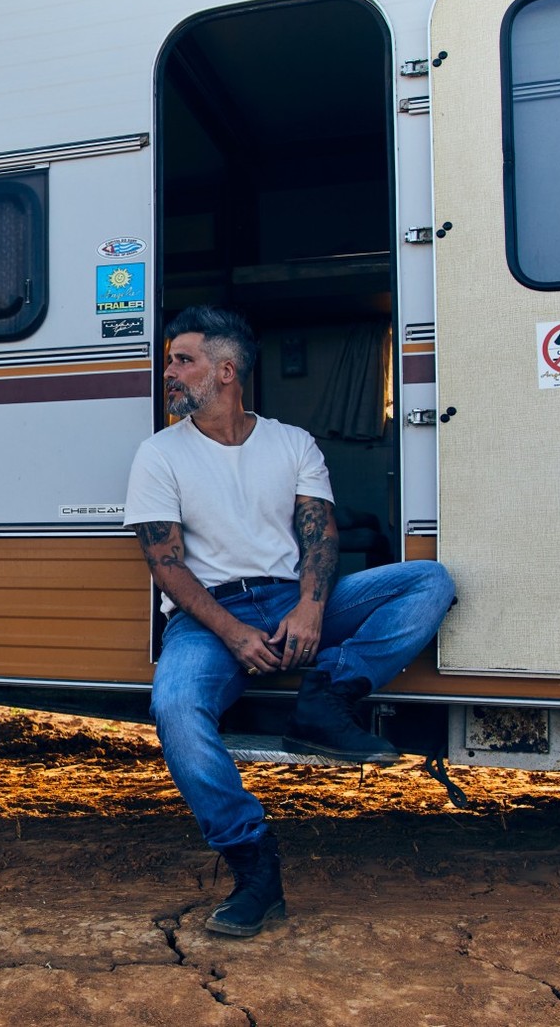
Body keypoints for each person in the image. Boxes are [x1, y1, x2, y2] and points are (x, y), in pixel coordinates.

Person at [124, 305, 454, 938]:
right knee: (176, 708)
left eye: (181, 360)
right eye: (169, 360)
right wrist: (233, 633)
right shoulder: (159, 454)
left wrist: (310, 607)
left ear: (225, 371)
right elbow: (166, 566)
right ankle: (254, 866)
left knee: (428, 580)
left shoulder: (291, 442)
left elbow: (321, 538)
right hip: (210, 618)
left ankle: (326, 698)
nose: (168, 372)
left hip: (291, 599)